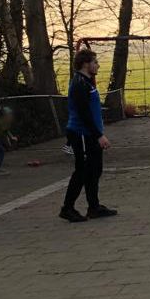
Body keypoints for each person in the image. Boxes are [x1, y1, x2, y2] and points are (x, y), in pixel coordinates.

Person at [59, 49, 117, 223]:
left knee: (95, 170)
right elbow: (83, 113)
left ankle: (94, 207)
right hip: (82, 134)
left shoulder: (87, 82)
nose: (97, 65)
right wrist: (99, 135)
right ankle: (67, 208)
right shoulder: (78, 83)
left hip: (91, 134)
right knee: (82, 171)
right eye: (95, 62)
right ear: (86, 64)